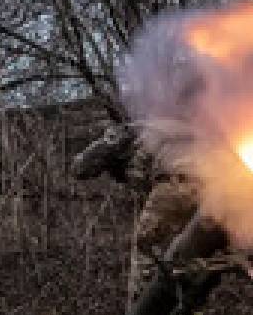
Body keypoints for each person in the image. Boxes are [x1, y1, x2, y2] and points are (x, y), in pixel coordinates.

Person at [72, 124, 198, 305]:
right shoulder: (174, 127)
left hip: (174, 184)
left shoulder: (127, 132)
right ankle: (186, 301)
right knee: (190, 249)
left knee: (146, 245)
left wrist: (106, 144)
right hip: (211, 189)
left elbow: (80, 168)